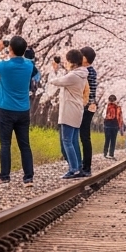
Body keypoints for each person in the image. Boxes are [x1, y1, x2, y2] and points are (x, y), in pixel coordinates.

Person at [0, 36, 38, 186]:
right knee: (24, 145)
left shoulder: (5, 66)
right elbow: (35, 72)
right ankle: (28, 178)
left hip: (6, 110)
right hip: (23, 110)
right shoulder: (28, 65)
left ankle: (4, 177)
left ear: (11, 49)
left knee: (5, 144)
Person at [49, 49, 90, 179]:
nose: (65, 63)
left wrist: (54, 70)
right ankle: (78, 167)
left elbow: (55, 81)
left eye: (67, 61)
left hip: (69, 111)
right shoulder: (81, 74)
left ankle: (73, 169)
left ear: (72, 62)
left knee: (67, 140)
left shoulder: (73, 76)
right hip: (77, 110)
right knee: (73, 140)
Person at [78, 47, 98, 176]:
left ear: (86, 58)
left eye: (81, 55)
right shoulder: (89, 70)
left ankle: (86, 167)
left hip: (87, 106)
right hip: (90, 105)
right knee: (84, 136)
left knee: (85, 136)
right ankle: (84, 165)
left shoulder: (87, 71)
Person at [103, 95, 123, 159]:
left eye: (113, 99)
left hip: (113, 125)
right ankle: (106, 153)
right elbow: (104, 115)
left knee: (112, 140)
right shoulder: (107, 106)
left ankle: (110, 153)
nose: (112, 101)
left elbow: (120, 116)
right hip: (109, 125)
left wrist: (120, 125)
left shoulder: (118, 107)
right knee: (108, 139)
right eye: (111, 99)